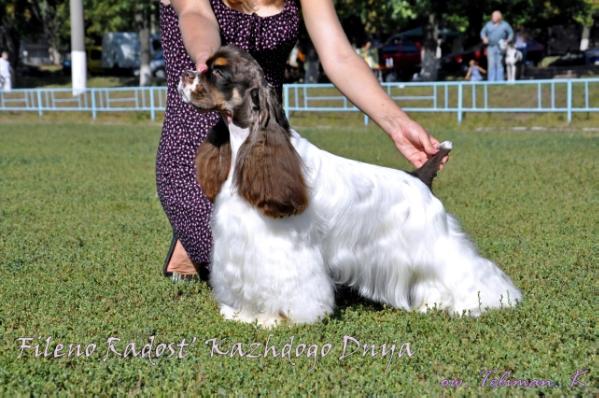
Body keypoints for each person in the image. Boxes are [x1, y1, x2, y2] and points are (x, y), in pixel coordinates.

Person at [157, 0, 448, 280]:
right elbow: (196, 13)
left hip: (266, 139)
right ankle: (192, 238)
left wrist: (399, 125)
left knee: (295, 246)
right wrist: (208, 65)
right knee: (241, 255)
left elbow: (339, 56)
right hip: (197, 138)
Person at [480, 10, 513, 82]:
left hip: (501, 47)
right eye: (492, 16)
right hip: (490, 47)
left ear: (499, 17)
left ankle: (500, 81)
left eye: (494, 16)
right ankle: (491, 81)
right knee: (491, 64)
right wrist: (484, 38)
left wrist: (507, 41)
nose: (492, 17)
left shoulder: (505, 25)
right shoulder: (488, 24)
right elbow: (482, 32)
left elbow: (511, 33)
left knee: (499, 64)